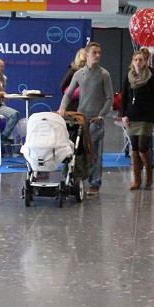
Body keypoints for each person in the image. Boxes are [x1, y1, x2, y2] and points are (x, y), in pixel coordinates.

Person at [59, 41, 114, 195]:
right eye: (94, 52)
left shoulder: (104, 74)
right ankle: (78, 179)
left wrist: (101, 116)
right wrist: (62, 108)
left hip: (96, 120)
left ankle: (95, 183)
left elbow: (110, 98)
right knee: (79, 150)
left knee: (95, 152)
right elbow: (68, 94)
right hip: (81, 119)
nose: (97, 55)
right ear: (87, 54)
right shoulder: (78, 74)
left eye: (99, 53)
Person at [120, 50, 154, 190]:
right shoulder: (128, 77)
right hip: (132, 116)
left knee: (143, 147)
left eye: (141, 60)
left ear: (145, 62)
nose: (138, 62)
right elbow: (124, 97)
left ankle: (149, 172)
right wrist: (123, 114)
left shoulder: (150, 77)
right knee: (134, 147)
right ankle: (137, 180)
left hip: (146, 116)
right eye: (136, 60)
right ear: (132, 62)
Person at [59, 48, 87, 112]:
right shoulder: (92, 72)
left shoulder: (73, 70)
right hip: (82, 107)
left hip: (72, 106)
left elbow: (63, 85)